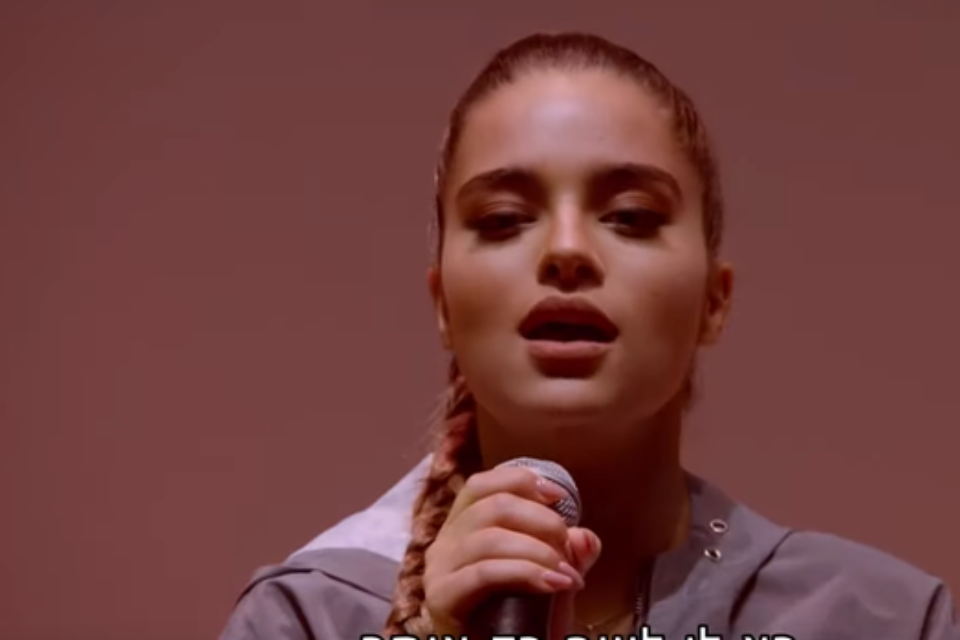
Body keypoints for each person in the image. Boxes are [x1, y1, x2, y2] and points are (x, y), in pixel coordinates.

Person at [218, 32, 958, 639]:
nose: (566, 250)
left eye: (630, 216)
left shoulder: (884, 620)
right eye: (504, 219)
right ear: (443, 304)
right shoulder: (308, 619)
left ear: (714, 300)